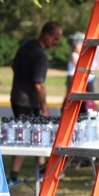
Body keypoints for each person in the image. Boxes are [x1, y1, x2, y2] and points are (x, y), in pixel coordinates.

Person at [8, 21, 63, 187]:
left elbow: (13, 65)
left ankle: (43, 170)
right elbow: (39, 85)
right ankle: (14, 176)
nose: (57, 42)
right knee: (26, 136)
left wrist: (21, 80)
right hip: (28, 101)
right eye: (55, 38)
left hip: (17, 96)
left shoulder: (26, 45)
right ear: (46, 35)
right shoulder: (40, 55)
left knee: (34, 134)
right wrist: (45, 109)